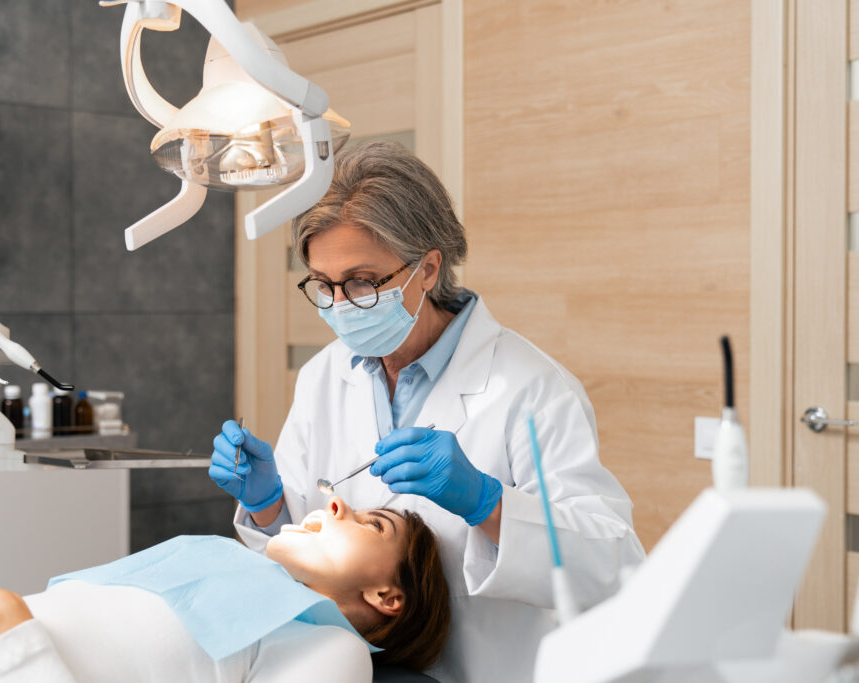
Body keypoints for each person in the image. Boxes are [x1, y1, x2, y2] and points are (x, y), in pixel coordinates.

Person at [209, 140, 648, 682]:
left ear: (428, 267)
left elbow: (617, 565)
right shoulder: (327, 373)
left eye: (363, 282)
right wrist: (269, 505)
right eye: (323, 285)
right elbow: (311, 548)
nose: (341, 304)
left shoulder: (531, 389)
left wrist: (488, 504)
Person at [0, 497, 450, 683]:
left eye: (372, 523)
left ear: (386, 597)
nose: (333, 501)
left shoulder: (330, 650)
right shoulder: (222, 561)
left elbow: (23, 632)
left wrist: (4, 626)